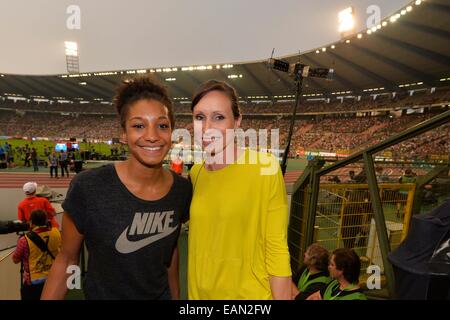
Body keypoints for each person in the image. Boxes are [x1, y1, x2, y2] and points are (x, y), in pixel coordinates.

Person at [41, 76, 192, 300]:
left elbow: (170, 252)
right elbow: (67, 260)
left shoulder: (181, 190)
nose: (152, 136)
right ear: (123, 133)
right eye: (138, 125)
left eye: (162, 125)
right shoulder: (89, 187)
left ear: (172, 133)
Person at [188, 80, 291, 300]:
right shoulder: (196, 174)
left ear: (237, 121)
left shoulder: (265, 168)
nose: (207, 128)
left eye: (219, 117)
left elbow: (276, 249)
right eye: (199, 117)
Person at [12, 210, 62, 300]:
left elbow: (15, 259)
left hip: (34, 282)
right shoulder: (56, 232)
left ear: (31, 222)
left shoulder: (24, 240)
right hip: (53, 277)